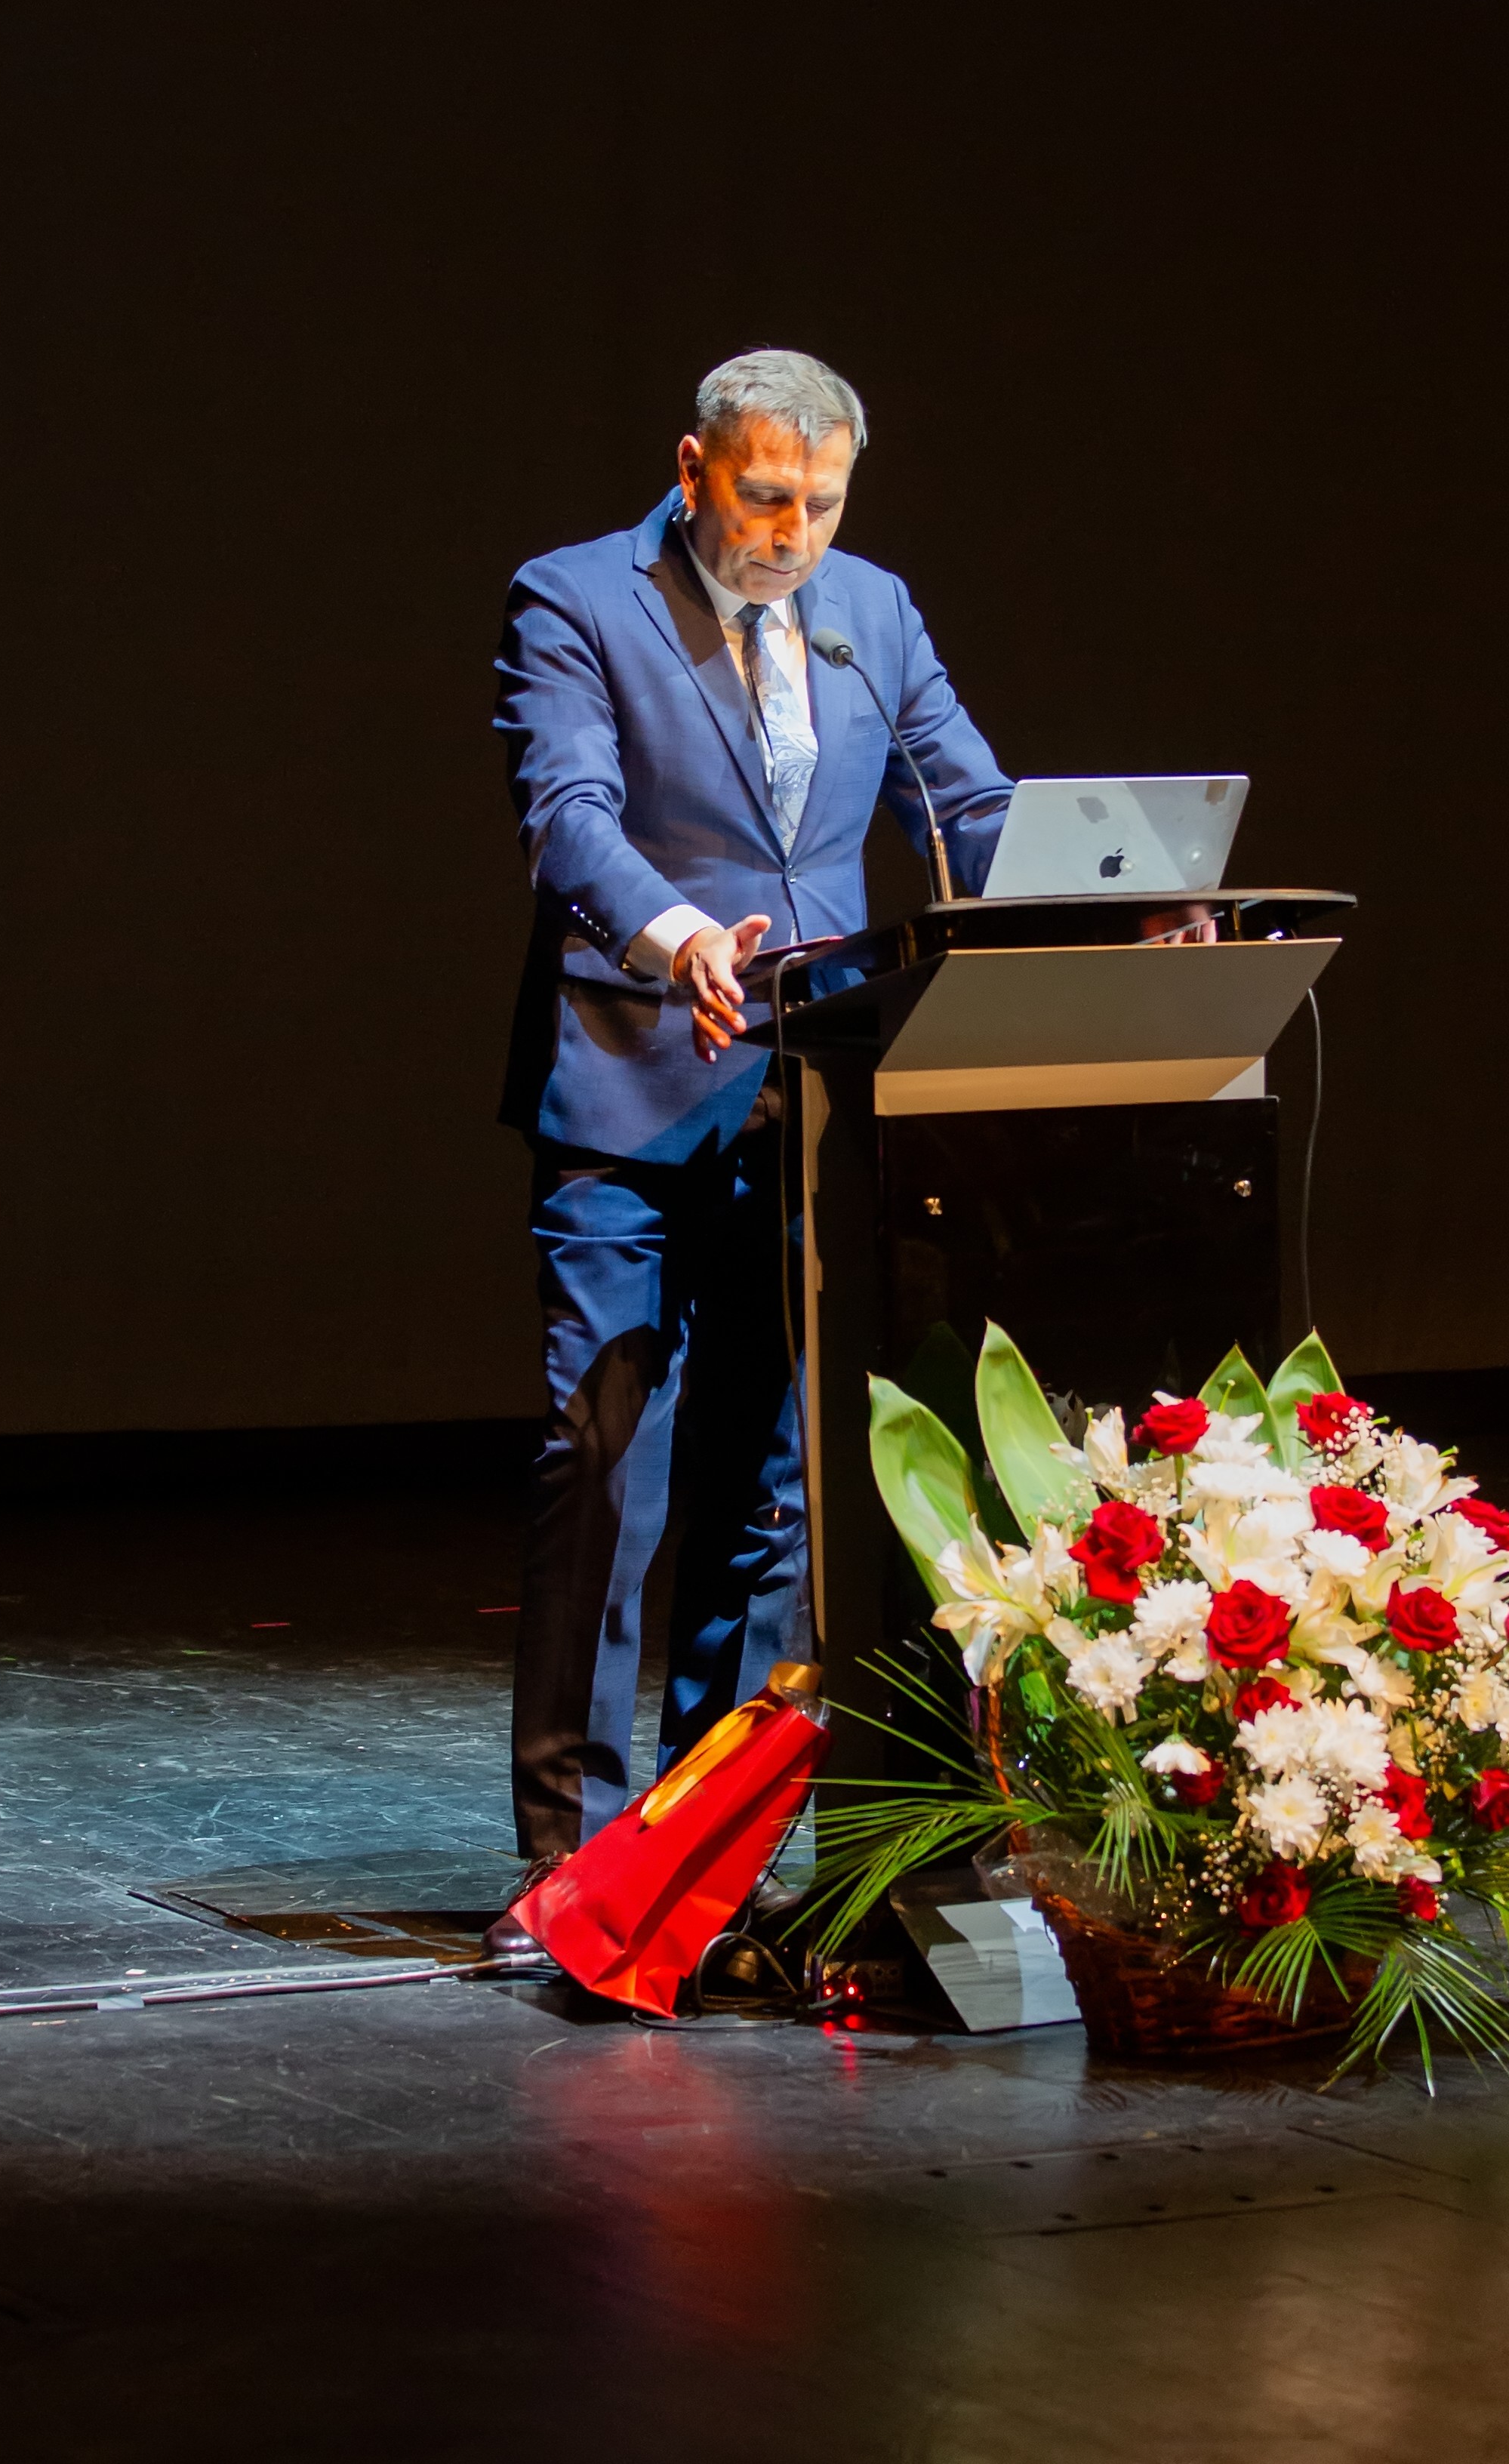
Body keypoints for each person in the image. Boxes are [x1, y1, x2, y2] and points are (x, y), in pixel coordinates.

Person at [490, 349, 1010, 1889]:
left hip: (810, 1093)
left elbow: (966, 807)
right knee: (605, 1462)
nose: (792, 534)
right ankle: (574, 1868)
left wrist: (1125, 905)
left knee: (769, 1488)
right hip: (631, 1084)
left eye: (821, 504)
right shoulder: (575, 598)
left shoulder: (875, 612)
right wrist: (677, 936)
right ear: (694, 467)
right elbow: (567, 814)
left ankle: (695, 1859)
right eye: (766, 497)